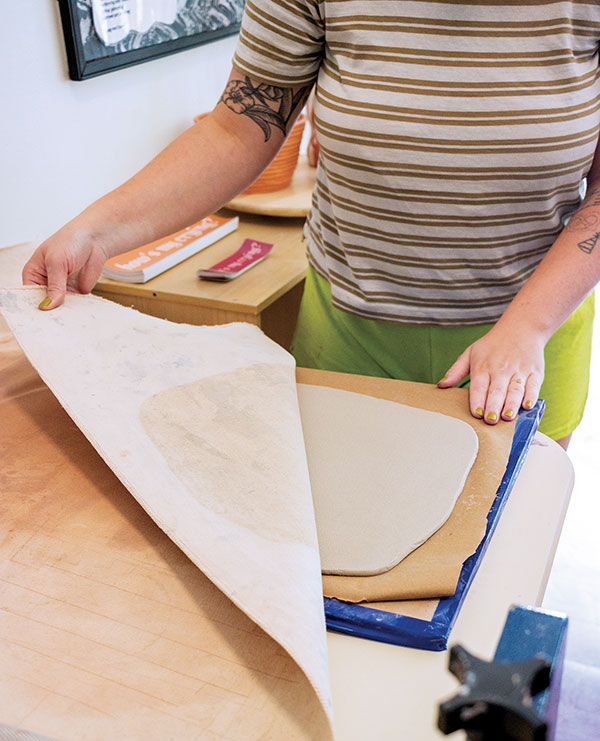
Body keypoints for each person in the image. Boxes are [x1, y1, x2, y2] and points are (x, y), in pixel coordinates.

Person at [24, 1, 599, 452]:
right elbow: (237, 131)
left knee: (497, 565)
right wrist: (96, 231)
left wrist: (528, 327)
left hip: (531, 329)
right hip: (353, 330)